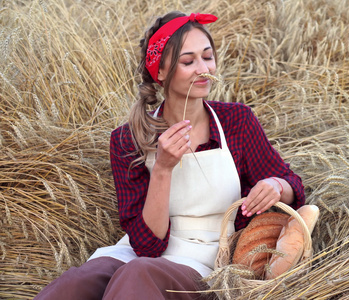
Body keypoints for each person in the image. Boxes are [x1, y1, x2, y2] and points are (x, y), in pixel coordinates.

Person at [35, 11, 305, 300]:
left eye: (208, 56)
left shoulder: (236, 121)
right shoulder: (127, 139)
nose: (203, 68)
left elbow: (294, 186)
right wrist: (162, 169)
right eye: (188, 61)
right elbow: (147, 248)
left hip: (204, 260)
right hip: (136, 252)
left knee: (138, 274)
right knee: (77, 282)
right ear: (160, 72)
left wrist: (277, 186)